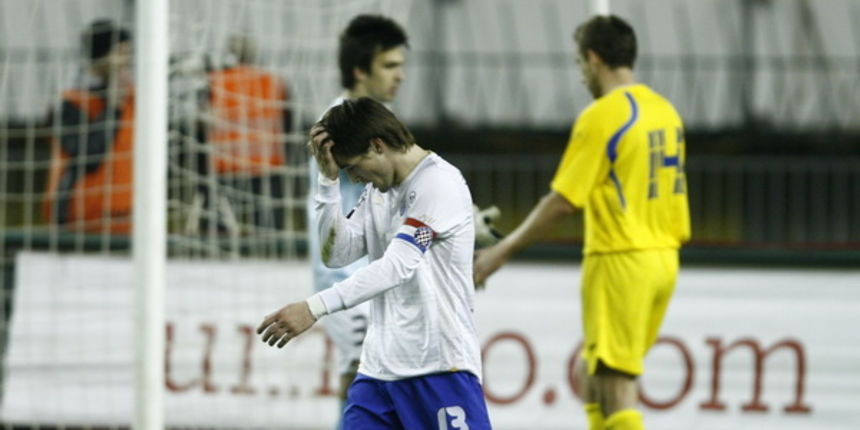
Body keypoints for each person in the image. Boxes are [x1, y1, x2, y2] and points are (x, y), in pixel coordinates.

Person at [474, 15, 690, 430]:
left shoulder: (603, 115)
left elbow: (562, 201)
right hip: (663, 259)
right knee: (590, 376)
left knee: (615, 384)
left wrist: (502, 250)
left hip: (621, 259)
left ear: (593, 59)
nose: (580, 75)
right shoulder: (665, 111)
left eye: (578, 64)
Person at [260, 98, 492, 430]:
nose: (353, 179)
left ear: (377, 146)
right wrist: (328, 183)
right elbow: (336, 252)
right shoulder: (379, 192)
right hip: (378, 373)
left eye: (353, 167)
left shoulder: (439, 185)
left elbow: (397, 266)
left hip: (439, 368)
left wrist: (314, 307)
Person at [305, 14, 408, 422]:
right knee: (363, 383)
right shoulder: (342, 124)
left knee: (371, 386)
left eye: (401, 64)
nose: (400, 75)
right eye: (389, 65)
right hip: (348, 279)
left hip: (366, 274)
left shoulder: (365, 120)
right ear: (359, 70)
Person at [43, 19, 134, 233]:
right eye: (119, 53)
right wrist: (113, 106)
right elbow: (90, 155)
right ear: (101, 58)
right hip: (81, 217)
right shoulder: (70, 104)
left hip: (128, 218)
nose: (125, 63)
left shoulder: (135, 100)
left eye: (127, 54)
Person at [206, 34, 291, 231]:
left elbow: (203, 122)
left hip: (226, 166)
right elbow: (288, 122)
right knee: (268, 229)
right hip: (266, 165)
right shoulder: (273, 82)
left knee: (225, 231)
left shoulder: (216, 82)